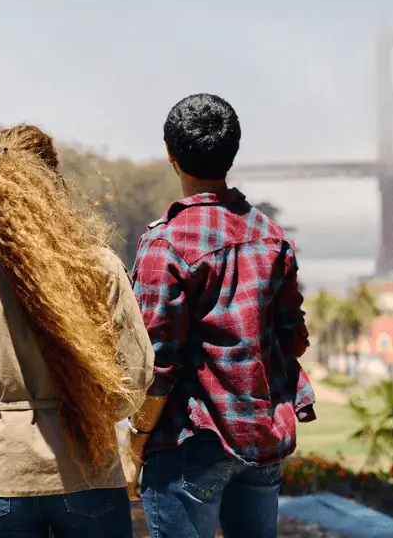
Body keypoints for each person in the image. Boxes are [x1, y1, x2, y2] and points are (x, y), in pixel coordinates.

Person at [0, 125, 155, 538]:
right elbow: (136, 375)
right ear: (54, 183)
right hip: (90, 475)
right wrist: (94, 414)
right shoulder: (98, 266)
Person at [124, 93, 316, 538]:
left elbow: (157, 363)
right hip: (261, 437)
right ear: (232, 151)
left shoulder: (166, 244)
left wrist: (135, 441)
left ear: (171, 156)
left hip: (188, 441)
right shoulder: (270, 236)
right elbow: (295, 336)